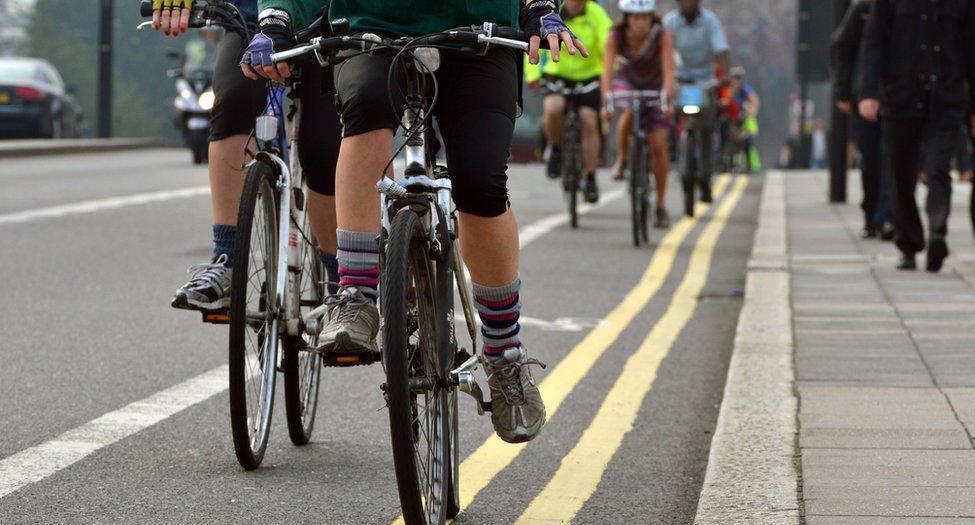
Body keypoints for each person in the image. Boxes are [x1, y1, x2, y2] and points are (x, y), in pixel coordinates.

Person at [241, 0, 586, 444]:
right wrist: (278, 19)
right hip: (372, 28)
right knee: (364, 116)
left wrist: (538, 7)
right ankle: (357, 295)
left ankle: (504, 356)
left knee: (480, 182)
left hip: (479, 32)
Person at [152, 0, 342, 312]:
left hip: (329, 20)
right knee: (231, 101)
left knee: (324, 147)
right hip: (250, 21)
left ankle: (342, 285)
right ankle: (226, 260)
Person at [859, 0, 975, 272]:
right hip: (901, 97)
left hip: (945, 97)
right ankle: (909, 244)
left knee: (938, 168)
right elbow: (874, 43)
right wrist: (868, 92)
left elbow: (972, 49)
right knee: (901, 174)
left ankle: (937, 232)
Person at [525, 0, 612, 204]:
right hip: (558, 74)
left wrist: (609, 74)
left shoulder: (596, 14)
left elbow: (608, 47)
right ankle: (555, 148)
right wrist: (533, 74)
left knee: (589, 119)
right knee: (553, 108)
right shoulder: (553, 10)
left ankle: (591, 177)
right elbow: (533, 42)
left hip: (589, 76)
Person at [601, 0, 675, 229]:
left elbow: (669, 70)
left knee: (658, 145)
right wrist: (606, 102)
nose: (641, 23)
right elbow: (607, 72)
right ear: (627, 18)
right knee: (630, 113)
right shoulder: (615, 36)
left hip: (655, 83)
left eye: (645, 17)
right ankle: (623, 159)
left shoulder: (662, 35)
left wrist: (667, 99)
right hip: (629, 81)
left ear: (651, 17)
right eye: (635, 17)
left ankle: (660, 205)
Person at [831, 0, 894, 240]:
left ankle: (888, 217)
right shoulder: (863, 9)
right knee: (872, 159)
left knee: (894, 159)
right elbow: (841, 48)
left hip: (898, 96)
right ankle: (871, 216)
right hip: (865, 97)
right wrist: (843, 92)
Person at [663, 0, 729, 203]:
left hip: (705, 81)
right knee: (666, 113)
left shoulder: (710, 22)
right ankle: (672, 148)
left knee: (707, 128)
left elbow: (721, 51)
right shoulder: (670, 22)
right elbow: (663, 51)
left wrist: (723, 77)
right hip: (679, 80)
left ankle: (706, 174)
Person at [729, 66, 761, 173]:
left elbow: (754, 99)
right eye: (734, 78)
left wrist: (751, 111)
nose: (736, 80)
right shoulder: (729, 90)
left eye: (739, 78)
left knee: (747, 141)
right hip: (731, 119)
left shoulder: (745, 89)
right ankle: (728, 163)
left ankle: (749, 166)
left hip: (742, 120)